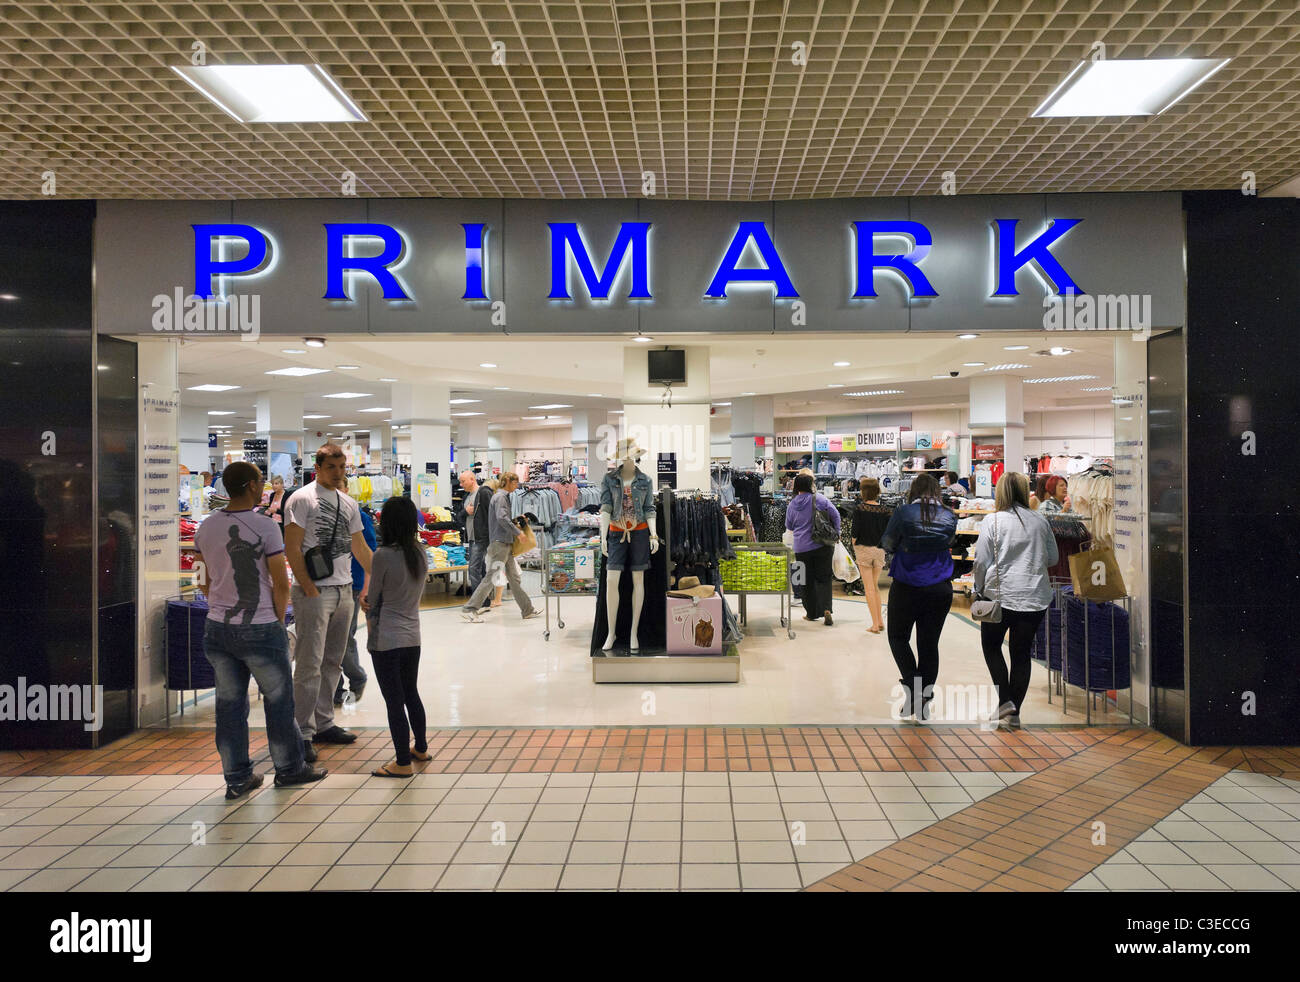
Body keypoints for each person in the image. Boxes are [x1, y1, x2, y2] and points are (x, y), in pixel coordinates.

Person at [193, 461, 325, 798]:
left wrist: (217, 601)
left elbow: (200, 578)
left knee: (229, 706)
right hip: (261, 626)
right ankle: (289, 769)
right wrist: (278, 622)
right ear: (252, 486)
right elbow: (280, 583)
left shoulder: (206, 527)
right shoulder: (265, 526)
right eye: (261, 480)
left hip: (218, 627)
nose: (264, 485)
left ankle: (237, 778)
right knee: (278, 702)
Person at [284, 443, 373, 762]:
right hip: (314, 592)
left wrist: (377, 583)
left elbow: (360, 548)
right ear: (318, 468)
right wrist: (308, 587)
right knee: (309, 662)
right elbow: (292, 547)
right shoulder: (301, 499)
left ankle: (324, 723)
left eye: (342, 467)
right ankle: (302, 732)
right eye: (332, 467)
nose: (338, 473)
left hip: (344, 589)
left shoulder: (348, 502)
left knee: (333, 661)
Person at [973, 472, 1058, 730]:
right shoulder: (1040, 520)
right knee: (1021, 653)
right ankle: (1014, 712)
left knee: (991, 646)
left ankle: (1005, 702)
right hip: (1034, 595)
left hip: (1000, 595)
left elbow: (981, 561)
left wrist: (978, 589)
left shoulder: (993, 520)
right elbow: (1053, 558)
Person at [880, 473, 957, 721]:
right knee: (929, 644)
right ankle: (923, 697)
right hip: (940, 586)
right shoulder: (949, 515)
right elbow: (950, 541)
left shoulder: (903, 513)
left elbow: (888, 543)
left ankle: (914, 690)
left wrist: (904, 546)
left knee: (897, 637)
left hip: (907, 584)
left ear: (913, 490)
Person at [364, 496, 430, 778]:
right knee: (411, 693)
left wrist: (365, 604)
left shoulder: (382, 555)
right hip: (412, 636)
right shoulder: (420, 552)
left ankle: (402, 762)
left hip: (386, 638)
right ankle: (421, 748)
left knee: (394, 700)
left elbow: (374, 599)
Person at [460, 471, 541, 623]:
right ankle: (470, 609)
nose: (517, 486)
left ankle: (527, 610)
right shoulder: (501, 497)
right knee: (491, 577)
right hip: (500, 544)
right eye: (515, 482)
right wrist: (518, 533)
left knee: (514, 578)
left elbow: (501, 519)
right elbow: (502, 518)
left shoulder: (501, 497)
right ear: (508, 482)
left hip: (504, 543)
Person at [785, 472, 841, 626]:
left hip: (801, 548)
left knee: (805, 581)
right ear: (810, 485)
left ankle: (811, 613)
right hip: (822, 544)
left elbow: (789, 526)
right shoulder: (820, 499)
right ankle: (826, 609)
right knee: (824, 578)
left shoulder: (792, 504)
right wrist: (837, 532)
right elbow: (835, 515)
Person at [334, 503, 376, 706]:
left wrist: (367, 588)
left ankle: (357, 677)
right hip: (325, 585)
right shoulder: (318, 512)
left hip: (352, 585)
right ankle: (335, 688)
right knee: (327, 639)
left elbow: (370, 554)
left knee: (344, 637)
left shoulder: (358, 516)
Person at [852, 477, 890, 633]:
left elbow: (855, 533)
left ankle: (875, 624)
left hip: (864, 549)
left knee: (868, 588)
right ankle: (880, 621)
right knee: (875, 586)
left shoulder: (859, 509)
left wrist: (854, 545)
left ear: (863, 491)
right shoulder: (885, 510)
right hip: (880, 550)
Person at [459, 470, 493, 609]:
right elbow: (459, 517)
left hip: (482, 537)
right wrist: (465, 512)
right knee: (480, 568)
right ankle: (484, 600)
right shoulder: (466, 497)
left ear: (472, 479)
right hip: (472, 537)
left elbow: (492, 514)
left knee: (473, 568)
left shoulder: (484, 493)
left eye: (463, 481)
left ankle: (476, 601)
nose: (461, 484)